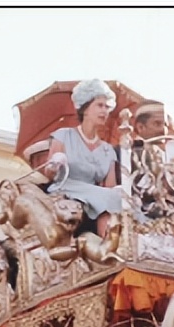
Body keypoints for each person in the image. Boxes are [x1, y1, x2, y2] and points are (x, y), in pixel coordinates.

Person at [41, 78, 123, 240]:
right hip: (66, 188)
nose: (105, 111)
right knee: (111, 197)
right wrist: (55, 164)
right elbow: (49, 175)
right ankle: (107, 243)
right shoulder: (64, 135)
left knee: (118, 197)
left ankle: (110, 245)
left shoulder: (108, 150)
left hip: (93, 194)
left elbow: (110, 188)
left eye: (107, 107)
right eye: (100, 105)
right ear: (85, 108)